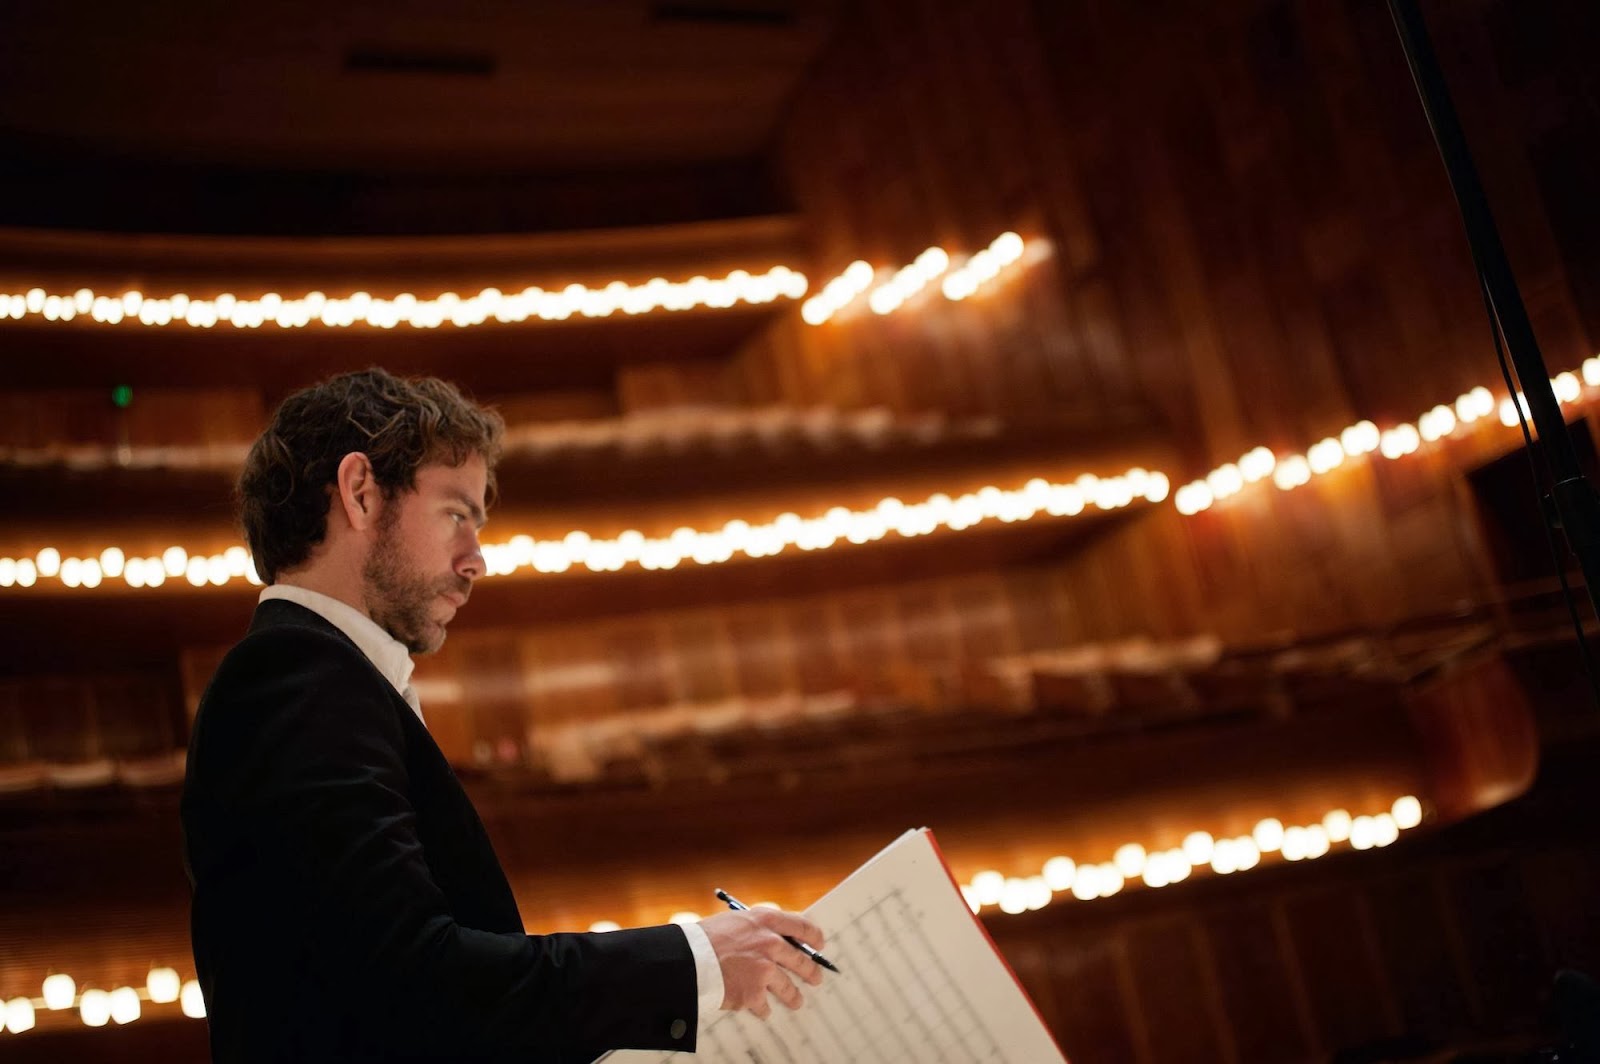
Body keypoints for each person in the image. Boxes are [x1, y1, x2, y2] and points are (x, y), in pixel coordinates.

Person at [182, 368, 826, 1063]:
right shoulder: (292, 676)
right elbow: (413, 985)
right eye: (455, 515)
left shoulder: (320, 676)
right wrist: (695, 961)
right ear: (361, 492)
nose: (475, 561)